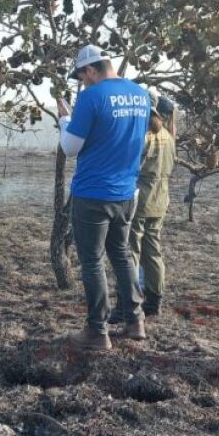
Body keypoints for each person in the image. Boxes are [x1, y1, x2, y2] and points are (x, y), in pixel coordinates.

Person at [57, 45, 150, 351]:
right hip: (125, 192)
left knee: (92, 260)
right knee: (121, 254)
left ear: (92, 70)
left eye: (82, 77)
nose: (83, 83)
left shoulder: (91, 97)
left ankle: (97, 330)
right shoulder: (140, 94)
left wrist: (64, 120)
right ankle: (135, 320)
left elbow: (70, 148)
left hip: (93, 192)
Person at [111, 91, 176, 322]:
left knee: (131, 252)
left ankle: (126, 304)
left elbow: (127, 164)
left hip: (140, 198)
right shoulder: (168, 135)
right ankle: (154, 301)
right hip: (160, 199)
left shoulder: (142, 135)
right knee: (153, 251)